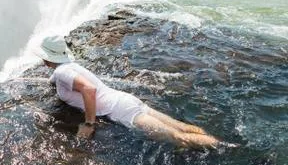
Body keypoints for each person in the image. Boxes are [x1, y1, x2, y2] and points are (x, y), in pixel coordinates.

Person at [35, 35, 221, 149]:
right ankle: (212, 141)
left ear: (47, 57)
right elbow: (62, 79)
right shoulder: (67, 67)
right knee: (180, 127)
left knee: (177, 137)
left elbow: (88, 89)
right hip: (126, 101)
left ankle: (222, 147)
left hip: (122, 111)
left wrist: (89, 124)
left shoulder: (62, 71)